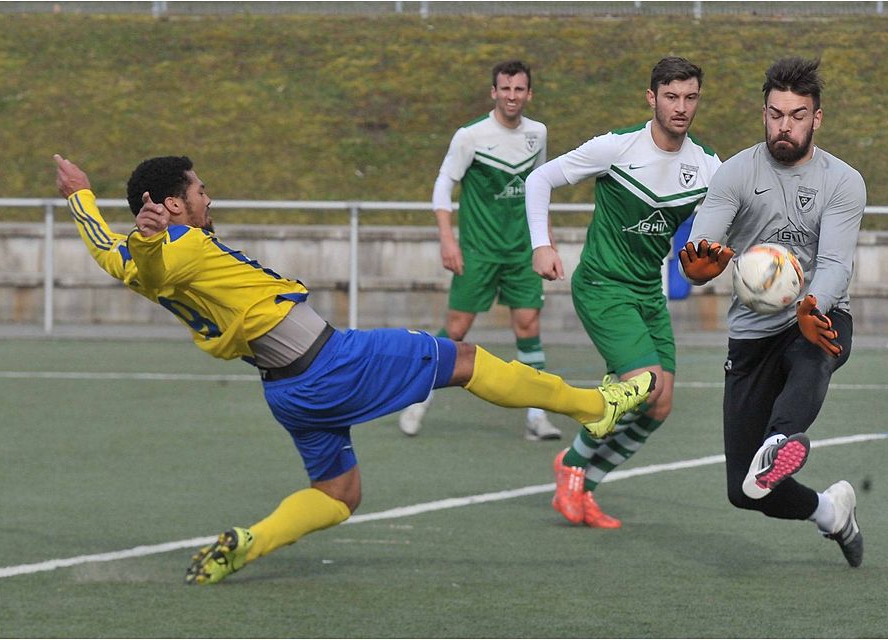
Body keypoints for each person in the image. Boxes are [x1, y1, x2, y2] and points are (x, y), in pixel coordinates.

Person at [53, 153, 655, 585]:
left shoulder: (138, 256)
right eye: (200, 189)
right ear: (174, 204)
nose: (209, 197)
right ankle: (593, 408)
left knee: (340, 494)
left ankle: (249, 542)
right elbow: (156, 264)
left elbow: (112, 254)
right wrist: (155, 239)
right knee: (464, 360)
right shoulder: (173, 246)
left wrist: (80, 196)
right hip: (327, 364)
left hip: (285, 390)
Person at [678, 56, 865, 567]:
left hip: (818, 315)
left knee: (814, 349)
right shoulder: (736, 173)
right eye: (776, 114)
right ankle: (831, 511)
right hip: (752, 331)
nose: (785, 126)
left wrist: (812, 304)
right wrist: (698, 263)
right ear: (764, 112)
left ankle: (780, 440)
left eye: (797, 115)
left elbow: (834, 264)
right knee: (744, 491)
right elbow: (702, 243)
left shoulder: (844, 182)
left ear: (817, 118)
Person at [524, 57, 721, 528]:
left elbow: (735, 219)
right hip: (601, 286)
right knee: (645, 381)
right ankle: (572, 463)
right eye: (671, 96)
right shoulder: (616, 147)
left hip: (647, 293)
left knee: (662, 400)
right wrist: (541, 245)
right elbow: (539, 178)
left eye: (690, 97)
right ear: (652, 98)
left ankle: (585, 488)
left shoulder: (708, 165)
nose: (681, 107)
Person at [399, 60, 561, 442]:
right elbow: (443, 186)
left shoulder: (537, 134)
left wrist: (545, 242)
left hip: (522, 252)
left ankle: (536, 418)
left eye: (519, 89)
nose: (512, 96)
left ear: (529, 94)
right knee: (456, 330)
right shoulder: (470, 136)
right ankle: (417, 399)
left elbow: (539, 188)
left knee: (529, 327)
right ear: (494, 92)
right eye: (505, 89)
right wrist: (447, 239)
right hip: (478, 252)